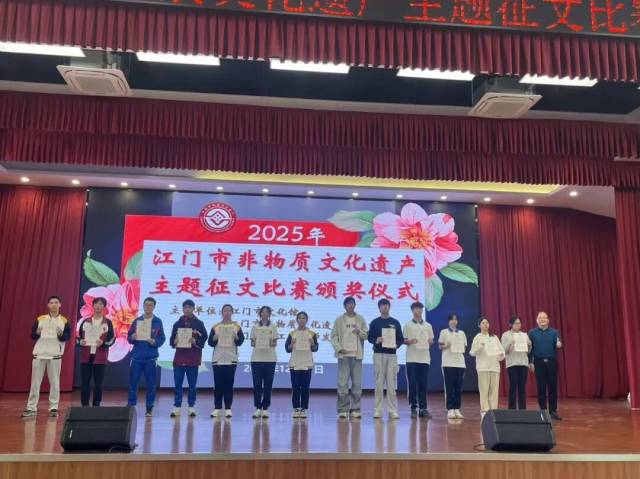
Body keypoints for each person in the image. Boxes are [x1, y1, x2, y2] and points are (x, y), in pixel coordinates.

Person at [21, 295, 72, 418]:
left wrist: (61, 335)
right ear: (48, 305)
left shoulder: (64, 320)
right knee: (35, 383)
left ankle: (53, 408)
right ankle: (31, 408)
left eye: (56, 302)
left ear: (60, 305)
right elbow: (32, 335)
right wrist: (37, 333)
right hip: (39, 354)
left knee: (55, 382)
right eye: (51, 302)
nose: (54, 304)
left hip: (55, 355)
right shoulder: (41, 319)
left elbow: (67, 337)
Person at [127, 296, 166, 417]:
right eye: (146, 305)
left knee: (151, 384)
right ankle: (131, 406)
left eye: (150, 305)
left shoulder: (158, 321)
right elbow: (129, 338)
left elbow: (162, 338)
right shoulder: (137, 321)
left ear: (154, 307)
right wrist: (132, 337)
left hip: (151, 358)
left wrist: (155, 342)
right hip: (137, 358)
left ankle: (149, 408)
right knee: (133, 383)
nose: (148, 307)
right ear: (143, 306)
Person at [330, 296, 368, 419]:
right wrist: (339, 348)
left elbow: (366, 336)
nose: (350, 305)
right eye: (348, 303)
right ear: (345, 306)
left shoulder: (360, 319)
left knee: (357, 383)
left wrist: (359, 332)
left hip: (357, 356)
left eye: (352, 303)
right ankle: (342, 409)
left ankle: (355, 409)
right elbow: (334, 336)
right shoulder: (339, 320)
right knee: (342, 383)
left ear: (355, 305)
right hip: (344, 356)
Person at [169, 299, 208, 418]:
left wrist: (195, 341)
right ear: (182, 309)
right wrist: (175, 341)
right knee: (178, 384)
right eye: (185, 307)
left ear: (193, 309)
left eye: (189, 307)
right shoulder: (177, 323)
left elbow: (204, 338)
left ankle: (191, 406)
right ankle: (177, 406)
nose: (187, 309)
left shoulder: (199, 323)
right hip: (179, 358)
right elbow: (171, 340)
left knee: (192, 385)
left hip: (193, 358)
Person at [367, 298, 404, 419]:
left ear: (389, 307)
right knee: (379, 383)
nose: (385, 307)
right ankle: (377, 410)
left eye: (387, 305)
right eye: (382, 305)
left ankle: (392, 411)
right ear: (379, 308)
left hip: (392, 355)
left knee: (391, 384)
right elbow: (369, 337)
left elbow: (400, 339)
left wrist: (396, 345)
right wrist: (376, 340)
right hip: (378, 354)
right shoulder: (374, 322)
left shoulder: (395, 322)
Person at [77, 297, 115, 407]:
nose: (98, 306)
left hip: (100, 357)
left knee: (98, 383)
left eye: (101, 304)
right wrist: (81, 341)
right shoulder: (85, 321)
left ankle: (96, 405)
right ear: (93, 305)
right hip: (86, 356)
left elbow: (112, 339)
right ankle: (84, 405)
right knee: (85, 383)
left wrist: (103, 343)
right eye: (96, 303)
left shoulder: (108, 322)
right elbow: (79, 337)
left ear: (104, 306)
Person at [208, 304, 245, 418]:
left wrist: (236, 336)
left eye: (229, 310)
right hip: (217, 359)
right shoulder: (216, 327)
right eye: (225, 310)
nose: (227, 312)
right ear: (222, 312)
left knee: (229, 384)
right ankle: (217, 408)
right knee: (218, 385)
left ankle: (228, 408)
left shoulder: (236, 327)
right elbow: (210, 343)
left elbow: (240, 342)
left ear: (232, 312)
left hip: (231, 359)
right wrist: (215, 337)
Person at [528, 311, 563, 420]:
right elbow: (530, 349)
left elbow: (559, 343)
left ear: (548, 320)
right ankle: (543, 411)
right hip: (538, 363)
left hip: (552, 362)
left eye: (544, 318)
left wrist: (559, 344)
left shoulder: (554, 332)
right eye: (540, 318)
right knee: (541, 387)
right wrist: (530, 362)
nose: (542, 320)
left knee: (553, 387)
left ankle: (553, 411)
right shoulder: (532, 333)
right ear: (537, 320)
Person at [402, 301, 434, 419]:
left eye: (420, 308)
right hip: (411, 358)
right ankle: (413, 408)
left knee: (423, 384)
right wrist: (410, 341)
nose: (418, 310)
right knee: (412, 384)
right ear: (412, 310)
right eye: (416, 308)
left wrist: (430, 341)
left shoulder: (428, 326)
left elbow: (431, 340)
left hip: (424, 359)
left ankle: (423, 408)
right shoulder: (407, 325)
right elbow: (403, 340)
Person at [285, 311, 319, 418]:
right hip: (295, 363)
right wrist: (291, 344)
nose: (302, 320)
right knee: (295, 386)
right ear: (297, 320)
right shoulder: (292, 333)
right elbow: (287, 349)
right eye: (300, 318)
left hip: (307, 363)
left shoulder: (311, 333)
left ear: (307, 320)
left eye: (304, 318)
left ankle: (304, 408)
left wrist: (313, 343)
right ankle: (296, 408)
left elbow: (315, 348)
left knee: (305, 387)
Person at [470, 317, 505, 417]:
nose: (485, 325)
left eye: (487, 323)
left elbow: (501, 351)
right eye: (483, 323)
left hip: (494, 367)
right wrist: (480, 347)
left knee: (494, 390)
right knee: (484, 390)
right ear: (479, 325)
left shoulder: (494, 337)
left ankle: (493, 410)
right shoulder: (477, 338)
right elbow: (472, 352)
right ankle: (484, 411)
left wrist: (501, 355)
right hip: (483, 367)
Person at [250, 306, 279, 419]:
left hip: (270, 359)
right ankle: (258, 408)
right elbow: (252, 343)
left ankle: (265, 408)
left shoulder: (273, 326)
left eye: (267, 312)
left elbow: (275, 343)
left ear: (270, 314)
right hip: (256, 358)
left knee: (268, 385)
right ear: (260, 314)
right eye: (263, 312)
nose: (265, 314)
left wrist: (270, 343)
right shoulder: (255, 326)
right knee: (257, 384)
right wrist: (257, 343)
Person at [438, 313, 467, 419]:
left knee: (458, 387)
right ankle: (450, 409)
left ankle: (457, 408)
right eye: (451, 319)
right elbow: (440, 346)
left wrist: (458, 346)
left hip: (460, 364)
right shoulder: (444, 332)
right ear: (448, 321)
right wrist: (447, 345)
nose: (454, 321)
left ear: (457, 321)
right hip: (448, 363)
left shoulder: (462, 333)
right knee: (449, 386)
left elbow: (464, 347)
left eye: (455, 319)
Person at [501, 315, 532, 410]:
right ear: (511, 324)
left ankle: (522, 409)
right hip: (512, 363)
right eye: (516, 323)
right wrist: (510, 343)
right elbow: (503, 351)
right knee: (513, 385)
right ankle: (512, 408)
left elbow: (528, 351)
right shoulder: (506, 335)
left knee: (522, 386)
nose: (518, 325)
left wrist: (529, 345)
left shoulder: (524, 335)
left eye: (519, 323)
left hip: (523, 363)